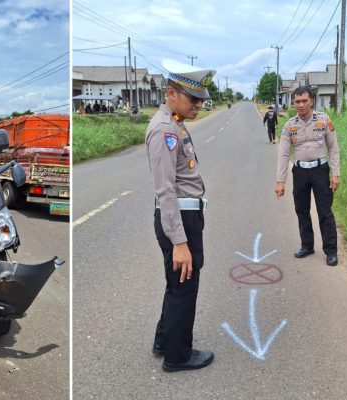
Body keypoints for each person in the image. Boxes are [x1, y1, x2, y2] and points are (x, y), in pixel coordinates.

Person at [146, 59, 216, 373]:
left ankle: (164, 342)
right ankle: (178, 356)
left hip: (185, 217)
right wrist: (179, 241)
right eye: (193, 98)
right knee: (184, 287)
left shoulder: (174, 121)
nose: (199, 104)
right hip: (180, 221)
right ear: (171, 92)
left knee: (176, 284)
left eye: (201, 99)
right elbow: (165, 190)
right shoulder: (164, 129)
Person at [275, 85, 340, 266]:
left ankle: (331, 251)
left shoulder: (324, 120)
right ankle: (307, 245)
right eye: (297, 101)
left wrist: (336, 173)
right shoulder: (289, 126)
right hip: (300, 172)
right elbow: (284, 154)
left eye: (304, 101)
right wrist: (280, 181)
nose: (301, 105)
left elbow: (333, 147)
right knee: (301, 210)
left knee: (324, 211)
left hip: (320, 170)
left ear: (311, 100)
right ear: (293, 103)